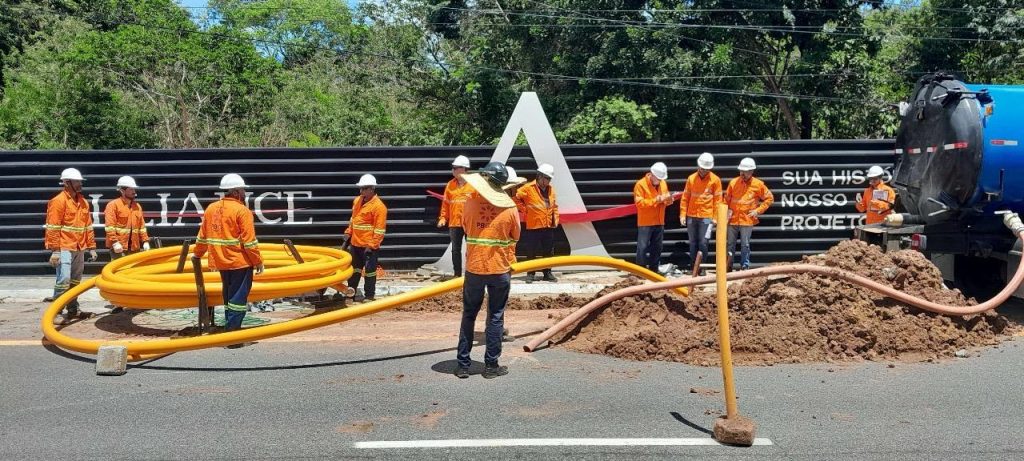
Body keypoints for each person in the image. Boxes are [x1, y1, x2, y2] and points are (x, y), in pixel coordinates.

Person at [454, 161, 521, 379]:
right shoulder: (510, 208)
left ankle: (463, 365)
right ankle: (491, 366)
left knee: (469, 314)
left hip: (474, 268)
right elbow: (516, 235)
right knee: (495, 317)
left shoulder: (470, 203)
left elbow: (465, 227)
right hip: (499, 269)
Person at [193, 173, 264, 334]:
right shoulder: (242, 211)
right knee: (238, 299)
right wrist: (258, 261)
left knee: (228, 296)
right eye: (243, 190)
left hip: (221, 262)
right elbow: (250, 242)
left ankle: (229, 327)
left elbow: (202, 237)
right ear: (236, 192)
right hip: (240, 263)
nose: (245, 194)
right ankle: (232, 333)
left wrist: (197, 255)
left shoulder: (211, 209)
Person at [45, 168, 98, 323]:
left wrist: (92, 247)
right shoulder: (58, 201)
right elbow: (53, 227)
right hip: (64, 247)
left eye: (80, 181)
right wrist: (55, 250)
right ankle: (56, 312)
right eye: (77, 181)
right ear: (67, 183)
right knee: (64, 280)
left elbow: (88, 226)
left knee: (75, 281)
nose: (80, 184)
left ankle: (73, 309)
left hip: (79, 247)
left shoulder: (83, 202)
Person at [344, 174, 388, 302]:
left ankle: (369, 296)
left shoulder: (379, 207)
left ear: (371, 189)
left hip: (369, 247)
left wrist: (372, 245)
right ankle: (350, 294)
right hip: (355, 243)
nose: (361, 191)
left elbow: (379, 229)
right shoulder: (357, 201)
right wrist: (348, 232)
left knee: (370, 272)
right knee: (354, 270)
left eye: (363, 188)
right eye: (360, 188)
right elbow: (354, 219)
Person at [724, 158, 773, 271]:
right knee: (730, 244)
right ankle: (728, 266)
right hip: (732, 220)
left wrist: (757, 211)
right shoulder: (733, 182)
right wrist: (726, 211)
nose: (742, 173)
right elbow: (726, 200)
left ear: (751, 171)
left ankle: (744, 267)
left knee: (745, 245)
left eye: (745, 171)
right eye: (741, 171)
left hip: (747, 220)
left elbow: (769, 198)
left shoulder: (758, 184)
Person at [515, 163, 560, 283]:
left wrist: (555, 218)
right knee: (531, 251)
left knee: (548, 251)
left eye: (550, 179)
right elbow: (516, 197)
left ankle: (547, 273)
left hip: (548, 225)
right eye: (547, 178)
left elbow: (553, 205)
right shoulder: (528, 188)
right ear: (540, 176)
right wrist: (525, 210)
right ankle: (530, 274)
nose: (549, 181)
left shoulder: (551, 190)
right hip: (534, 225)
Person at [679, 152, 723, 273]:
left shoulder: (715, 180)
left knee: (703, 243)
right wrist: (683, 214)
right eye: (702, 168)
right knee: (693, 243)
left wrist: (715, 217)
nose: (704, 171)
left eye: (706, 169)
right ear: (698, 166)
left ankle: (701, 267)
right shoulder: (691, 178)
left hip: (706, 217)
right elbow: (685, 197)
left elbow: (718, 201)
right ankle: (694, 268)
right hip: (692, 216)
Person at [633, 162, 674, 272]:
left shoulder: (663, 183)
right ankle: (640, 270)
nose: (660, 181)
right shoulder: (640, 185)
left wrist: (669, 200)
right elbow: (640, 203)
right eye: (659, 178)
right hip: (646, 222)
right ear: (652, 174)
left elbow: (665, 198)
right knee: (643, 247)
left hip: (659, 221)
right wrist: (656, 200)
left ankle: (654, 269)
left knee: (657, 247)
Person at [437, 155, 474, 278]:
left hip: (470, 223)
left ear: (464, 169)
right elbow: (446, 204)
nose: (453, 170)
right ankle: (457, 275)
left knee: (472, 249)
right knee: (455, 250)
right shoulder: (450, 185)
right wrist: (443, 218)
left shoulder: (474, 184)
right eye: (453, 168)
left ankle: (471, 273)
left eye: (455, 168)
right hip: (455, 223)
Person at [104, 176, 150, 260]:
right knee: (118, 273)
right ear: (122, 191)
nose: (134, 191)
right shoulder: (113, 205)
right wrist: (115, 243)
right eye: (131, 189)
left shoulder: (137, 206)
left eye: (134, 189)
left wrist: (145, 241)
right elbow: (110, 227)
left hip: (134, 248)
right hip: (119, 249)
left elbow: (142, 227)